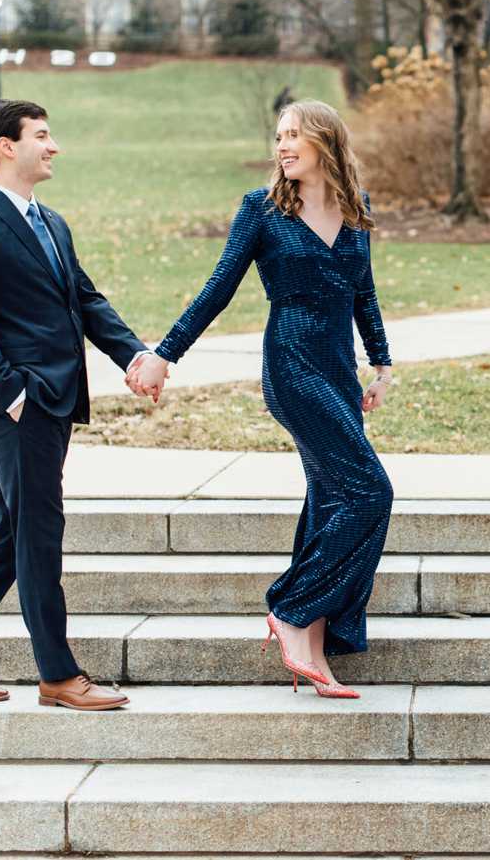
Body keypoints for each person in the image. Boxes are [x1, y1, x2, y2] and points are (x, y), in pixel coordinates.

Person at [132, 99, 392, 699]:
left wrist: (380, 364)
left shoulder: (356, 208)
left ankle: (313, 645)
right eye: (278, 135)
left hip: (338, 368)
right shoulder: (263, 210)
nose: (282, 145)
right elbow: (217, 287)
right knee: (371, 490)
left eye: (293, 134)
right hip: (292, 365)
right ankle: (293, 608)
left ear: (325, 140)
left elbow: (365, 294)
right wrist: (165, 353)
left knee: (332, 494)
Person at [0, 99, 158, 711]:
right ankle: (57, 674)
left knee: (13, 529)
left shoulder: (52, 222)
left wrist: (132, 355)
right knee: (39, 533)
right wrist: (12, 394)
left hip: (55, 399)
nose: (54, 146)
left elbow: (85, 298)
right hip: (19, 407)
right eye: (42, 136)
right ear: (6, 147)